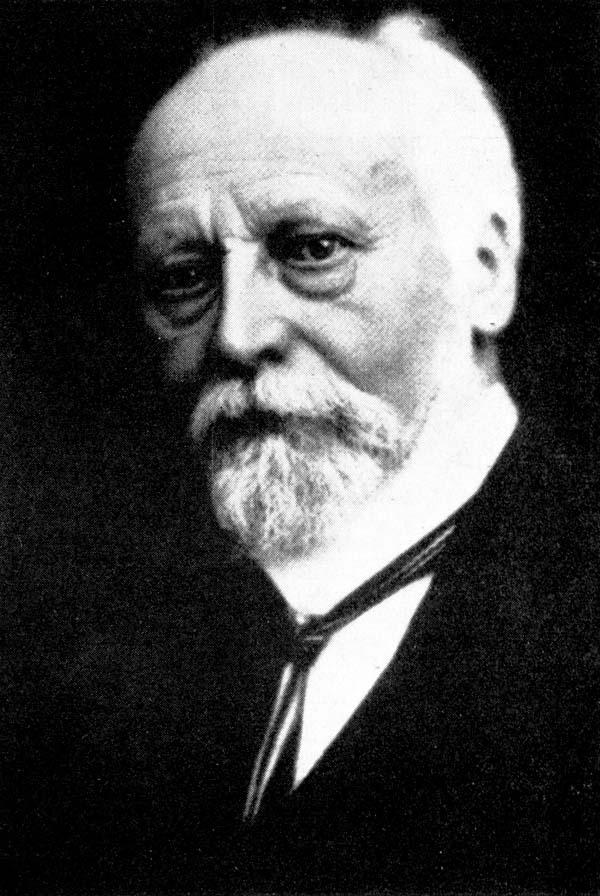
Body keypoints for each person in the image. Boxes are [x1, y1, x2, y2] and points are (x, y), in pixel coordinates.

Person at [6, 12, 600, 895]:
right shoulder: (89, 660)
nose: (238, 335)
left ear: (483, 270)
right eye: (184, 276)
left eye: (313, 250)